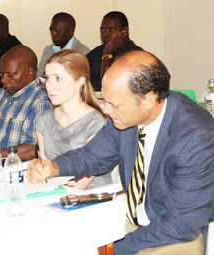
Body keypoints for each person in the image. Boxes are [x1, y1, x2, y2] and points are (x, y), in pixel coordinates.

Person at [27, 50, 214, 254]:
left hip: (174, 235)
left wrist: (110, 249)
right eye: (105, 100)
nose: (105, 110)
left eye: (113, 104)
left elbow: (181, 226)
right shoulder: (126, 117)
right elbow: (92, 156)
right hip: (133, 217)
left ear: (148, 99)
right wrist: (52, 167)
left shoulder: (196, 138)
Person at [37, 50, 111, 189]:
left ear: (80, 80)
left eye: (58, 78)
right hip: (52, 193)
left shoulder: (96, 123)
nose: (49, 86)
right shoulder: (43, 120)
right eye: (47, 78)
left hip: (90, 198)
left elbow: (79, 185)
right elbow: (44, 173)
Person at [87, 11, 142, 91]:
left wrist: (107, 55)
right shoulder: (95, 53)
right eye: (102, 30)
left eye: (111, 30)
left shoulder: (135, 55)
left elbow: (110, 86)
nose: (106, 34)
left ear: (125, 31)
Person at [37, 12, 90, 76]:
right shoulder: (48, 50)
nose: (53, 34)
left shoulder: (83, 53)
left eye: (58, 31)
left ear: (71, 31)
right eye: (51, 30)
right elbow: (39, 76)